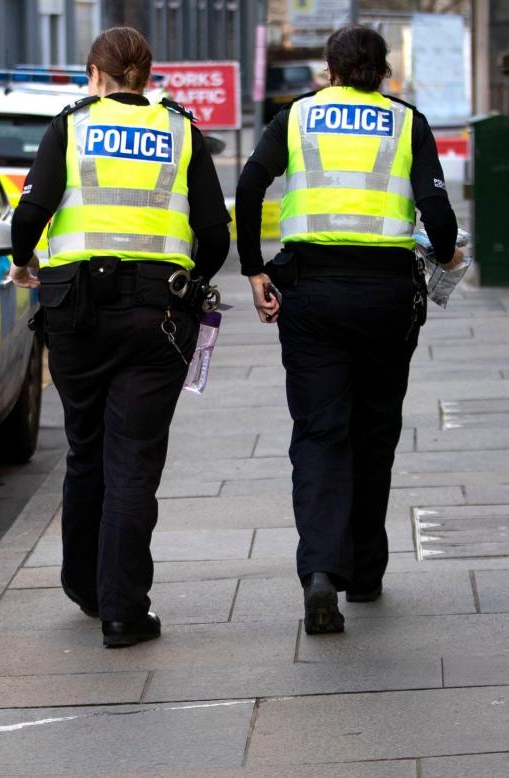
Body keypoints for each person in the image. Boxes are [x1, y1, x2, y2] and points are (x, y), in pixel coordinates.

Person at [235, 25, 462, 635]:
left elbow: (250, 185)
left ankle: (320, 574)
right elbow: (437, 213)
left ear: (329, 70)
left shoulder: (297, 117)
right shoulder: (406, 122)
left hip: (309, 292)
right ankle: (364, 572)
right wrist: (445, 255)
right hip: (386, 294)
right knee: (375, 428)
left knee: (318, 433)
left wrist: (254, 269)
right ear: (383, 70)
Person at [10, 26, 230, 647]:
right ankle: (123, 610)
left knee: (85, 448)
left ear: (96, 75)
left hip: (75, 312)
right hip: (157, 314)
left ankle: (84, 583)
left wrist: (26, 264)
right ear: (147, 75)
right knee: (132, 460)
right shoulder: (181, 129)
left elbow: (30, 213)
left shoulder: (72, 124)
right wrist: (189, 281)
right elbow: (215, 235)